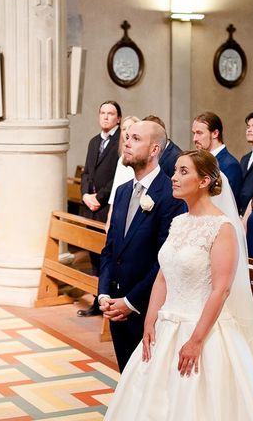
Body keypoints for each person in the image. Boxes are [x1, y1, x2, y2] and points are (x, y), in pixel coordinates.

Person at [104, 150, 253, 420]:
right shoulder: (179, 222)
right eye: (175, 170)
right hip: (167, 326)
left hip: (203, 329)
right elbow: (164, 275)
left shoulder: (222, 228)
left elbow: (221, 289)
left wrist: (196, 340)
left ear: (203, 181)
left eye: (183, 172)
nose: (174, 178)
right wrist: (150, 320)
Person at [98, 120, 185, 371]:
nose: (126, 142)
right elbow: (110, 248)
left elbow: (165, 260)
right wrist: (105, 293)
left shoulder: (171, 195)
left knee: (148, 384)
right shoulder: (124, 191)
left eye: (136, 138)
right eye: (127, 137)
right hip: (116, 306)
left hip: (147, 308)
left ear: (155, 149)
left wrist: (130, 301)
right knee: (126, 377)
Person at [78, 100, 122, 317]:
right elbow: (86, 172)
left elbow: (117, 177)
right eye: (102, 112)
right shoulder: (94, 141)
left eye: (111, 113)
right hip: (90, 205)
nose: (105, 117)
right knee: (93, 256)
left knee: (104, 255)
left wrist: (99, 197)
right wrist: (85, 195)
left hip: (105, 206)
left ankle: (103, 298)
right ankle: (96, 298)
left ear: (118, 118)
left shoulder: (120, 142)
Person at [192, 111, 242, 197]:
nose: (194, 139)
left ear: (215, 133)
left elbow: (229, 202)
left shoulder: (230, 165)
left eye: (199, 133)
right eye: (194, 133)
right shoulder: (198, 160)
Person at [106, 115, 140, 231]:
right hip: (120, 207)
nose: (126, 132)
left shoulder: (141, 158)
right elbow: (115, 188)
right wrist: (109, 217)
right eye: (124, 129)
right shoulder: (122, 159)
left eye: (130, 127)